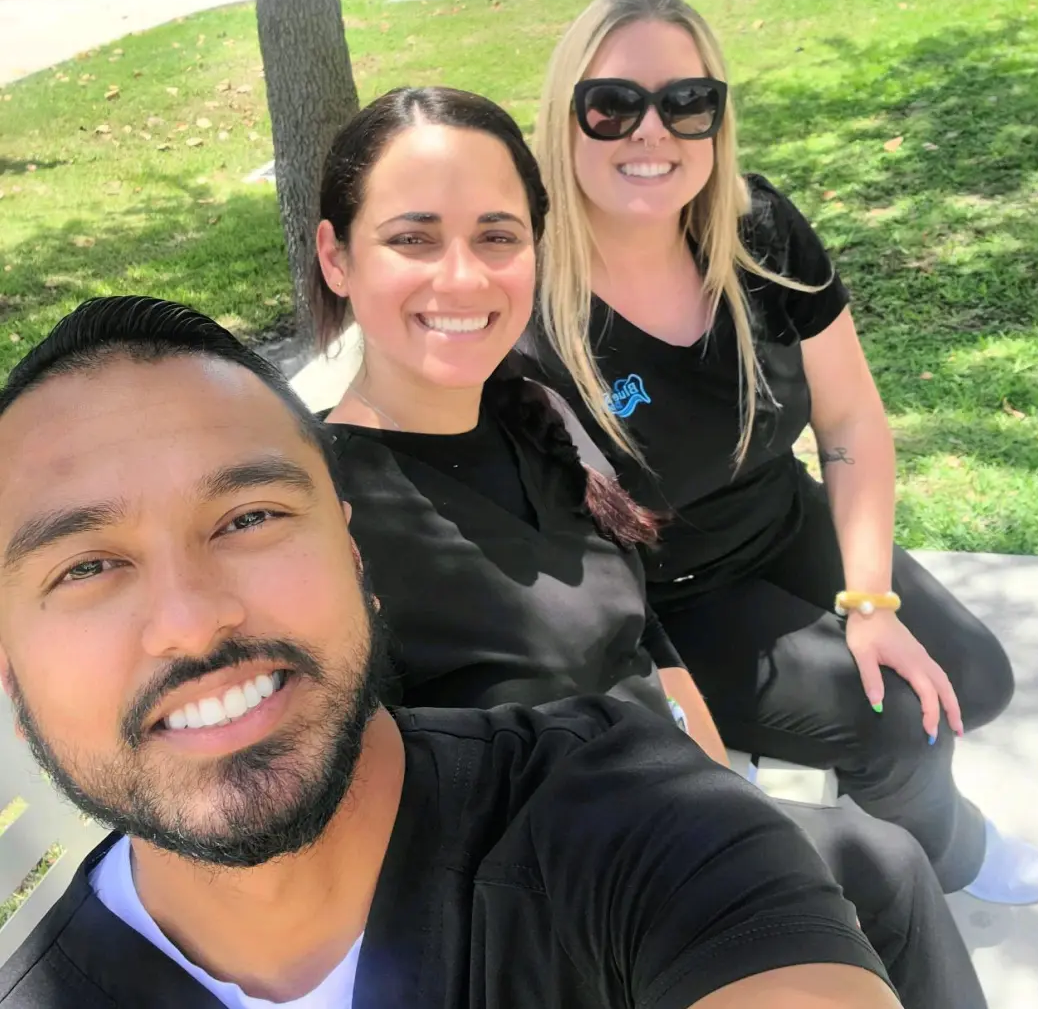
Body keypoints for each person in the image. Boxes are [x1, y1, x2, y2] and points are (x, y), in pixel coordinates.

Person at [0, 296, 899, 1008]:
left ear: (354, 552)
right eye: (86, 567)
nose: (193, 623)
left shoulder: (630, 824)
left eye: (250, 518)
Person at [309, 85, 986, 1009]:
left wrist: (724, 797)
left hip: (672, 826)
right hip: (549, 917)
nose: (463, 277)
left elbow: (643, 634)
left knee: (890, 865)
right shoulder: (321, 511)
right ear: (336, 256)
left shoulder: (533, 411)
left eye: (498, 236)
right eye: (413, 239)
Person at [520, 0, 1038, 906]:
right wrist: (671, 700)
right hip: (667, 593)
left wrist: (870, 602)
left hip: (782, 522)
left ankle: (873, 802)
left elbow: (849, 424)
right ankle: (941, 851)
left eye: (687, 103)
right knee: (900, 727)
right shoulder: (530, 295)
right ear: (565, 116)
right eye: (612, 105)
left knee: (973, 676)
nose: (652, 134)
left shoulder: (756, 229)